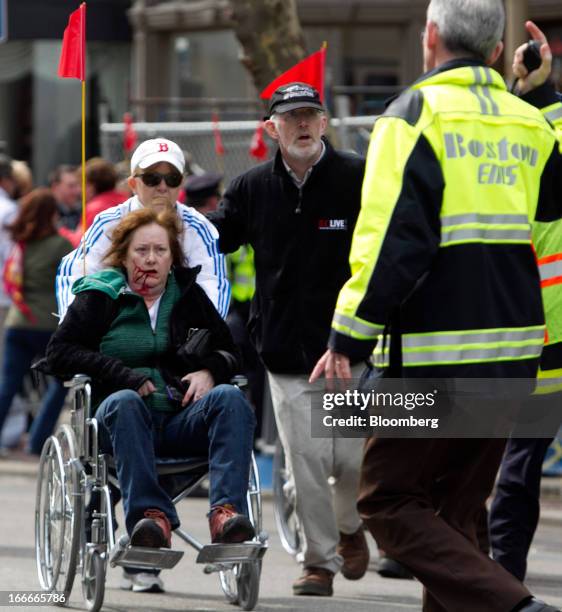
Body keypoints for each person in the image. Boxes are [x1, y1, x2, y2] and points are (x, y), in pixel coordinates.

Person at [310, 2, 562, 611]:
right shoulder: (529, 122)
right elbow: (552, 218)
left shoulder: (413, 114)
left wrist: (348, 337)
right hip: (513, 363)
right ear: (498, 52)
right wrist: (544, 95)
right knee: (454, 515)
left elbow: (389, 240)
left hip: (431, 359)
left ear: (429, 36)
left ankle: (518, 605)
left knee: (388, 502)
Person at [209, 82, 369, 597]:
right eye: (291, 117)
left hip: (351, 347)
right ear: (271, 128)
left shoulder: (357, 176)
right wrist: (164, 221)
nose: (302, 124)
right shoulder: (251, 187)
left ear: (325, 124)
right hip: (283, 351)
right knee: (306, 461)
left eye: (311, 115)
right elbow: (217, 236)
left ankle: (350, 527)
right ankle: (318, 562)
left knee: (350, 461)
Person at [45, 207, 256, 592]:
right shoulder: (101, 295)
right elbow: (58, 353)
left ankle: (226, 514)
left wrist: (210, 370)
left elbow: (232, 354)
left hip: (179, 420)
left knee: (230, 397)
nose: (151, 259)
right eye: (141, 250)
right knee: (125, 401)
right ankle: (150, 520)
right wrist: (119, 373)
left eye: (160, 250)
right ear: (124, 256)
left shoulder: (189, 299)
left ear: (172, 256)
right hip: (119, 424)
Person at [488, 39, 562, 584]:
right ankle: (501, 576)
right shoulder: (523, 160)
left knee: (515, 470)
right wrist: (536, 91)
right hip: (540, 344)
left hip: (542, 340)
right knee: (515, 470)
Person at [56, 138, 229, 321]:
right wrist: (77, 331)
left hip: (179, 339)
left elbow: (212, 284)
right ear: (132, 184)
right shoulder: (108, 223)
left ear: (182, 183)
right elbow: (77, 275)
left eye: (172, 179)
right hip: (115, 337)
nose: (163, 187)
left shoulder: (199, 227)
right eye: (151, 179)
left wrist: (198, 338)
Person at [0, 189, 72, 456]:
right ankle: (37, 440)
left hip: (17, 322)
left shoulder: (19, 242)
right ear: (52, 214)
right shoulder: (61, 245)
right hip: (49, 326)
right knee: (59, 383)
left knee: (7, 385)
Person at [60, 157, 129, 248]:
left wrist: (60, 231)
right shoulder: (126, 201)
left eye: (81, 184)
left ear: (91, 186)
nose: (79, 190)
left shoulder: (94, 209)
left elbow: (79, 243)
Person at [49, 165, 81, 230]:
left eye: (78, 185)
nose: (78, 190)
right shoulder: (46, 214)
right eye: (71, 186)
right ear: (55, 187)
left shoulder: (81, 210)